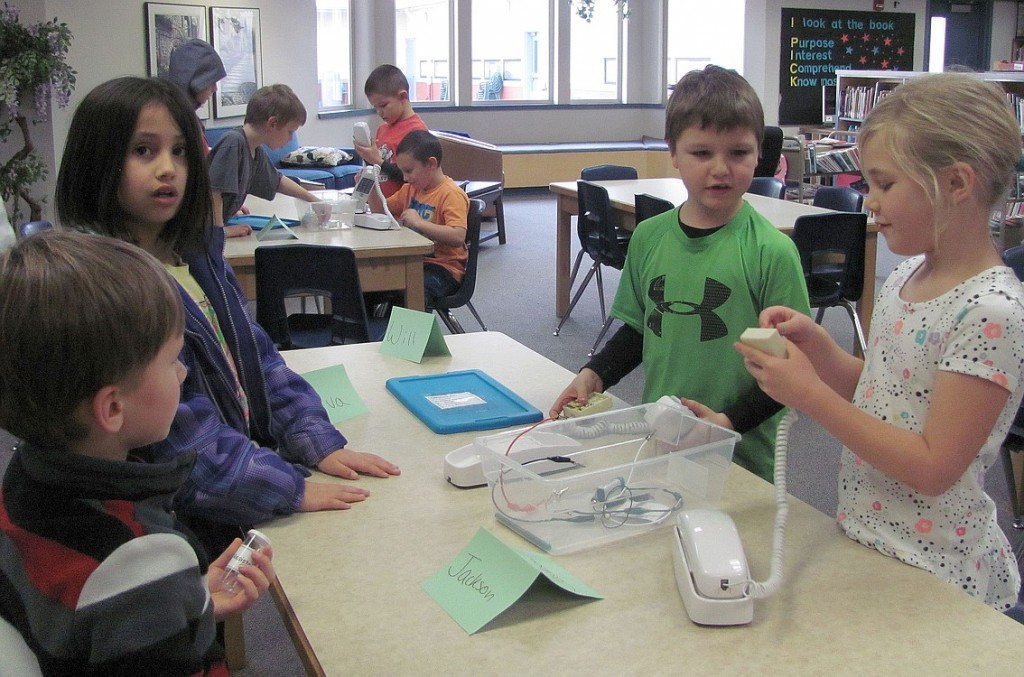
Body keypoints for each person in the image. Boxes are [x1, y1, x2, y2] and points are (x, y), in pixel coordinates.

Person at [55, 76, 400, 557]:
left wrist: (314, 438)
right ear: (97, 161)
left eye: (179, 152)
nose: (167, 170)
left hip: (226, 490)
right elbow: (177, 436)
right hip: (164, 524)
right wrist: (287, 487)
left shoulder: (197, 254)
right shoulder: (106, 288)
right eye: (142, 151)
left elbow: (257, 355)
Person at [738, 73, 1024, 611]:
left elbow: (933, 466)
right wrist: (820, 351)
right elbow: (884, 393)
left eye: (885, 184)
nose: (869, 202)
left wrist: (810, 398)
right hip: (873, 541)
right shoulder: (906, 276)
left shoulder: (991, 313)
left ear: (958, 184)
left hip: (938, 570)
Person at [0, 231, 275, 675]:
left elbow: (83, 616)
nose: (183, 372)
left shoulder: (21, 482)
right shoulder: (140, 558)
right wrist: (158, 590)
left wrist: (184, 601)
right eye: (171, 361)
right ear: (112, 408)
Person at [548, 65, 810, 482]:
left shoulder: (772, 252)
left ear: (759, 153)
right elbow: (640, 330)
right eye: (702, 153)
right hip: (662, 442)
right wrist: (593, 373)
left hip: (739, 456)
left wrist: (725, 423)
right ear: (673, 153)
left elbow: (792, 366)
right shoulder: (650, 237)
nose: (720, 168)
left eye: (738, 152)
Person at [367, 129, 469, 310]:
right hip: (412, 262)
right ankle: (374, 333)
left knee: (412, 293)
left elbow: (458, 236)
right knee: (369, 284)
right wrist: (371, 189)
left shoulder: (450, 194)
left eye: (409, 171)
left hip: (444, 269)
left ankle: (411, 338)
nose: (405, 178)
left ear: (430, 164)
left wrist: (420, 223)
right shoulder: (409, 190)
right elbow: (381, 211)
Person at [207, 83, 322, 238]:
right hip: (198, 235)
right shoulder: (233, 142)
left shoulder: (254, 150)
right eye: (290, 131)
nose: (290, 138)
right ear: (272, 123)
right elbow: (214, 191)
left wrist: (314, 201)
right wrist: (219, 232)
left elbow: (277, 181)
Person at [354, 64, 429, 197]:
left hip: (404, 210)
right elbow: (378, 168)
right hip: (380, 207)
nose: (379, 112)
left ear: (403, 96)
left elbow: (413, 177)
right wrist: (367, 162)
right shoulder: (382, 129)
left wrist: (378, 161)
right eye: (375, 107)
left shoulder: (417, 131)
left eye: (383, 105)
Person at [167, 37, 226, 153]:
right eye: (211, 81)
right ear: (197, 80)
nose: (215, 88)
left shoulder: (189, 119)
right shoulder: (173, 123)